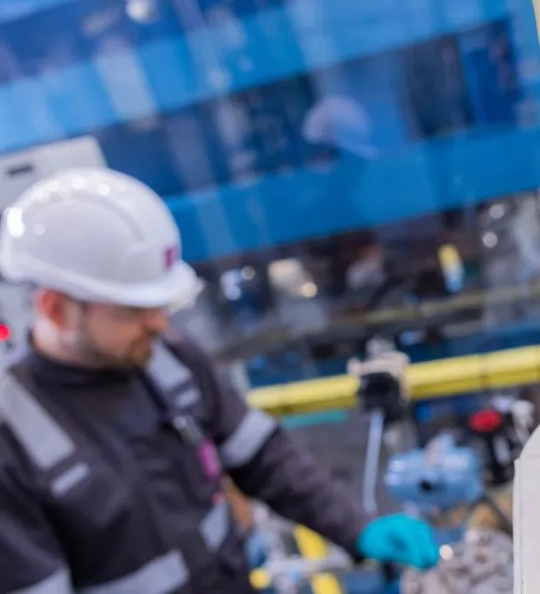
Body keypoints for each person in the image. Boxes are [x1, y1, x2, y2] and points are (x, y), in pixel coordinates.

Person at [0, 168, 439, 593]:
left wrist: (357, 525)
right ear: (56, 308)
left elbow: (264, 456)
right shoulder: (12, 438)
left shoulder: (166, 359)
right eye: (133, 310)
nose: (158, 321)